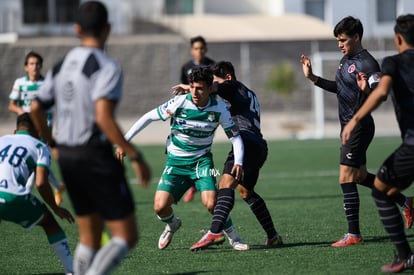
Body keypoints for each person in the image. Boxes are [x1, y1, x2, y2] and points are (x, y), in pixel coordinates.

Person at [30, 1, 151, 274]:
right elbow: (103, 117)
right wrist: (134, 155)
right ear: (108, 28)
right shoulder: (107, 66)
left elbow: (36, 107)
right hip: (94, 156)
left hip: (69, 157)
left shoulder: (61, 65)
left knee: (90, 235)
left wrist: (52, 144)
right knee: (126, 236)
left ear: (76, 29)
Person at [300, 16, 414, 247]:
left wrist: (364, 91)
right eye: (338, 41)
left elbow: (377, 94)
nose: (339, 44)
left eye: (343, 40)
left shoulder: (368, 63)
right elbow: (339, 88)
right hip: (349, 126)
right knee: (359, 176)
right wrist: (313, 78)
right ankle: (405, 202)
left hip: (359, 126)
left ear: (356, 37)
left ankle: (353, 234)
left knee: (345, 177)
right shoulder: (346, 60)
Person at [117, 66, 249, 251]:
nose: (195, 92)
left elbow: (235, 137)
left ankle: (234, 238)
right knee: (160, 207)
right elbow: (147, 117)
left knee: (212, 204)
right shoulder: (178, 102)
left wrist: (239, 162)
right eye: (192, 87)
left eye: (200, 88)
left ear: (210, 88)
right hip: (175, 162)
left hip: (202, 162)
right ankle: (172, 224)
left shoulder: (219, 109)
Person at [342, 14, 414, 273]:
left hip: (412, 145)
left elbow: (381, 92)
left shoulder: (391, 62)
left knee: (381, 190)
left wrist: (356, 119)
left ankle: (405, 255)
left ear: (397, 38)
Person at [185, 61, 282, 251]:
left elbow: (216, 88)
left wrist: (192, 88)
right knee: (246, 192)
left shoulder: (233, 86)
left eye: (215, 81)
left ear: (227, 77)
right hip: (259, 145)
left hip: (246, 142)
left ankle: (214, 232)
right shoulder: (247, 93)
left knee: (225, 185)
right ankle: (273, 236)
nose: (213, 86)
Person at [0, 113, 74, 275]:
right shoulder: (40, 147)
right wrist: (56, 208)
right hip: (12, 195)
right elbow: (40, 183)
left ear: (15, 131)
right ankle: (71, 271)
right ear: (39, 132)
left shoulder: (2, 140)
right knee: (49, 222)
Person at [8, 51, 65, 205]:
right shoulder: (20, 83)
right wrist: (23, 113)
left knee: (38, 155)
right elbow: (12, 105)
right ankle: (58, 186)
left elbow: (56, 104)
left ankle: (26, 191)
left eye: (37, 64)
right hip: (26, 126)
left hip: (43, 126)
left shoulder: (47, 83)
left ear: (41, 66)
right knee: (37, 157)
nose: (35, 67)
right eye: (31, 64)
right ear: (26, 67)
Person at [180, 35, 216, 203]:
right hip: (190, 113)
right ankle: (193, 183)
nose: (199, 51)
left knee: (203, 145)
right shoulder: (186, 67)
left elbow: (216, 87)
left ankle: (200, 182)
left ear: (205, 49)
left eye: (201, 48)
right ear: (191, 50)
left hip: (208, 112)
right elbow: (184, 90)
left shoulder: (212, 65)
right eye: (196, 48)